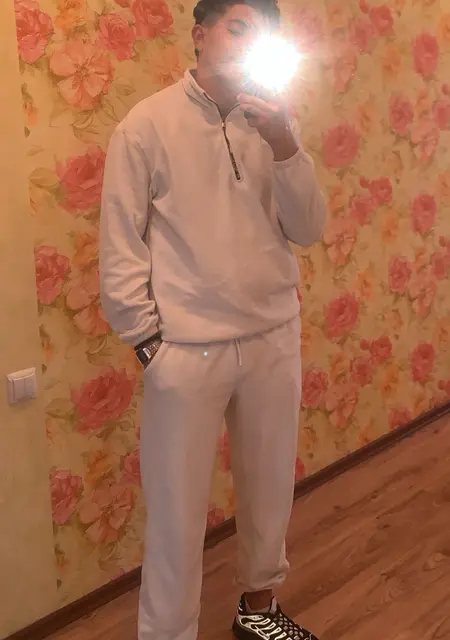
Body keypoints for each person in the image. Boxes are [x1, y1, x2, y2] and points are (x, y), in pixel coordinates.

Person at [99, 0, 326, 637]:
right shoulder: (145, 126)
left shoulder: (275, 124)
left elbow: (308, 228)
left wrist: (285, 146)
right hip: (186, 351)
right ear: (200, 35)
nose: (251, 43)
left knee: (269, 492)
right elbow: (120, 245)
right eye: (239, 28)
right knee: (176, 515)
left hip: (273, 337)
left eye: (265, 36)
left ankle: (259, 612)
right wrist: (148, 343)